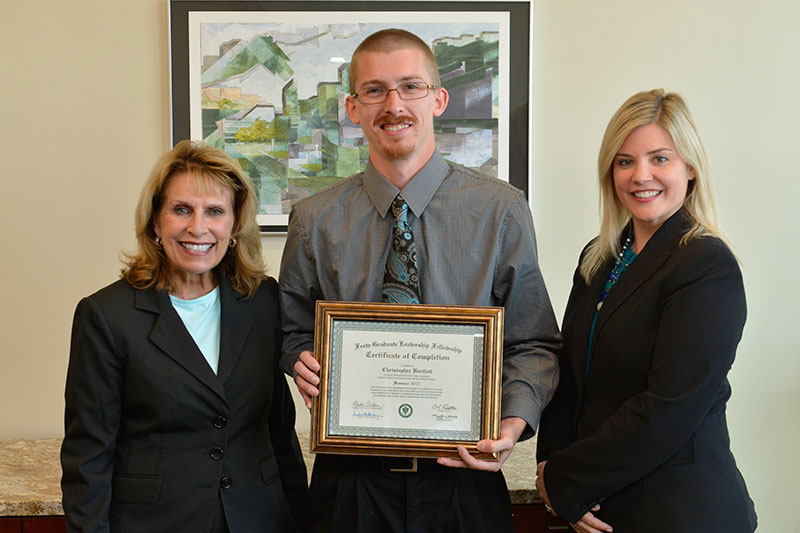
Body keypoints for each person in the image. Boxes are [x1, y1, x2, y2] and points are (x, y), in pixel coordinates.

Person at [279, 28, 561, 532]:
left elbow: (533, 341)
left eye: (410, 86)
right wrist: (299, 361)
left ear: (438, 98)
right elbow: (291, 330)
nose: (394, 104)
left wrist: (512, 425)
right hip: (349, 484)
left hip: (464, 477)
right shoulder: (313, 219)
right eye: (374, 90)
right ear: (352, 107)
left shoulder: (502, 210)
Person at [535, 89, 757, 533]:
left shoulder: (706, 265)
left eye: (660, 159)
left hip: (679, 511)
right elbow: (569, 374)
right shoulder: (600, 258)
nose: (641, 176)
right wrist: (548, 463)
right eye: (625, 161)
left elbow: (668, 407)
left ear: (690, 169)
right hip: (603, 504)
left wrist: (565, 480)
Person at [61, 140, 307, 532]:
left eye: (214, 211)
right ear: (156, 222)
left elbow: (278, 431)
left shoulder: (264, 301)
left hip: (259, 516)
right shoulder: (107, 316)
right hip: (156, 521)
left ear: (234, 223)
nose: (198, 227)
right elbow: (88, 455)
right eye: (181, 210)